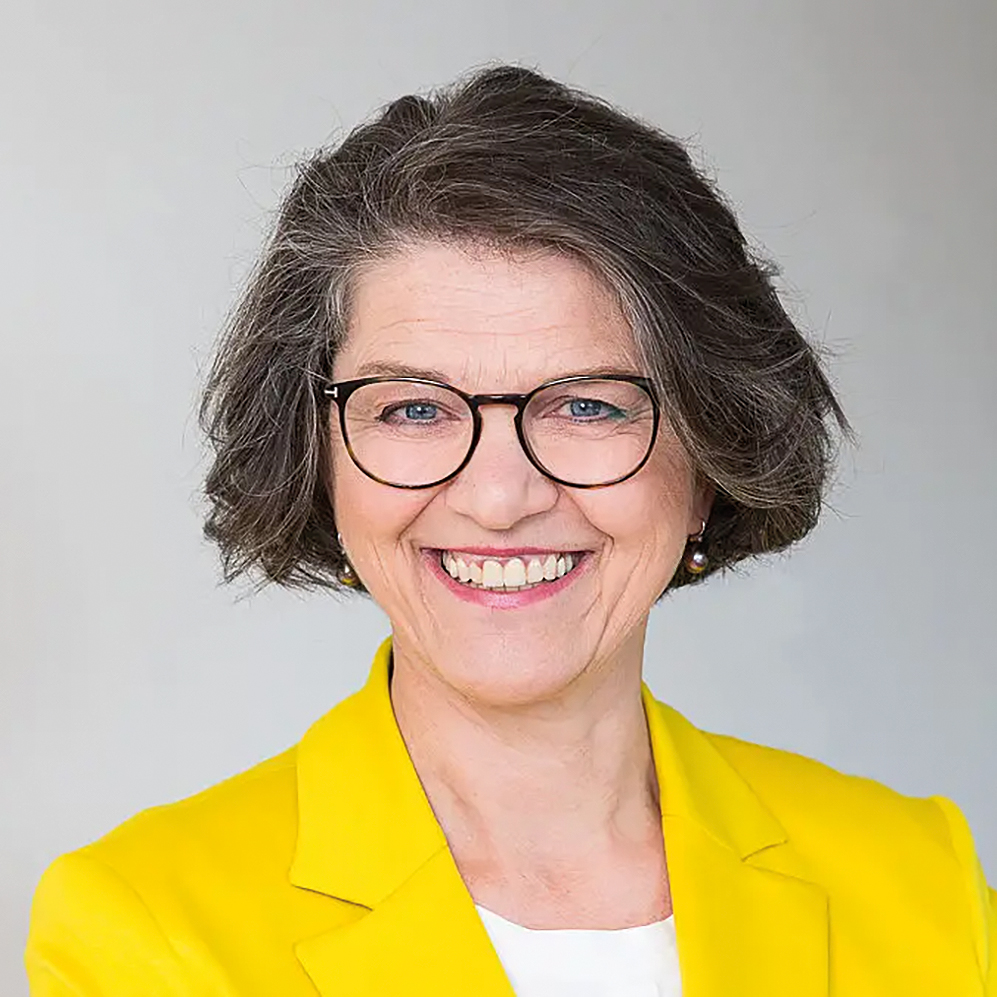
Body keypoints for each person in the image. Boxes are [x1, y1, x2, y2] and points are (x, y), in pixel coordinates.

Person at [26, 65, 995, 996]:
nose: (498, 496)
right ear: (318, 462)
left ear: (709, 457)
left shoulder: (922, 876)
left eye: (586, 406)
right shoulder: (145, 924)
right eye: (413, 408)